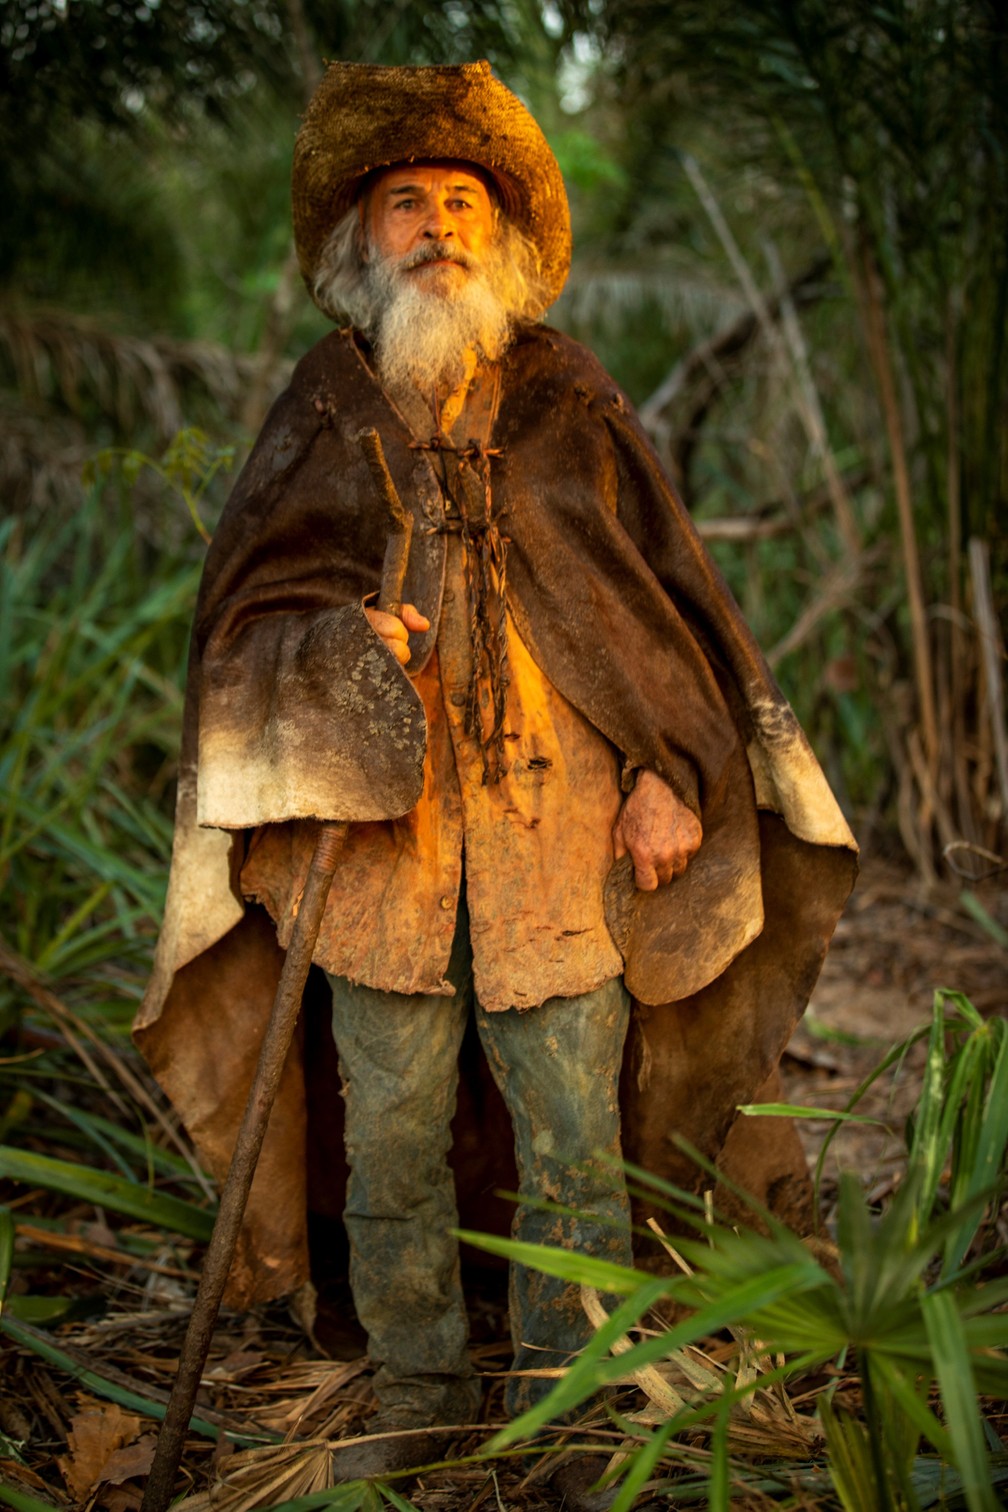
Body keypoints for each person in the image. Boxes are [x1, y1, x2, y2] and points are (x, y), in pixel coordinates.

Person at [134, 60, 857, 1497]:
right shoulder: (323, 401)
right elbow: (243, 620)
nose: (436, 227)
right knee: (391, 1135)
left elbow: (666, 617)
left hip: (561, 834)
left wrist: (674, 772)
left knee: (576, 1134)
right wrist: (339, 649)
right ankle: (415, 1384)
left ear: (504, 234)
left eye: (460, 201)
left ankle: (572, 1399)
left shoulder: (569, 394)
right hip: (380, 854)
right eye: (405, 203)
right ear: (363, 241)